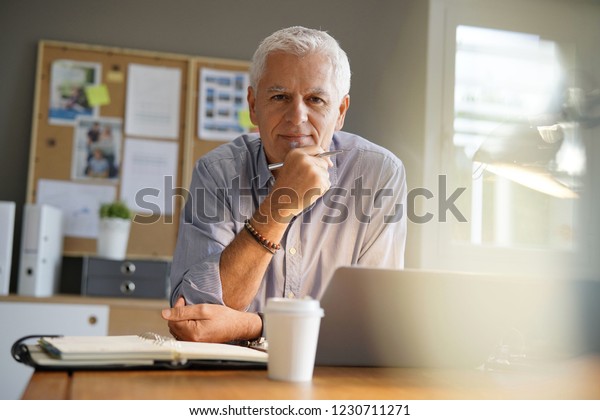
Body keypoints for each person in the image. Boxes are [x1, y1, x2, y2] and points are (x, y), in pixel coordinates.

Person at [162, 26, 407, 344]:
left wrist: (253, 326)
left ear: (341, 111)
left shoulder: (378, 173)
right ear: (253, 105)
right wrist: (280, 205)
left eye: (316, 100)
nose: (297, 117)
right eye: (279, 97)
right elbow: (196, 316)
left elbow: (372, 325)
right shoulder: (217, 171)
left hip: (331, 380)